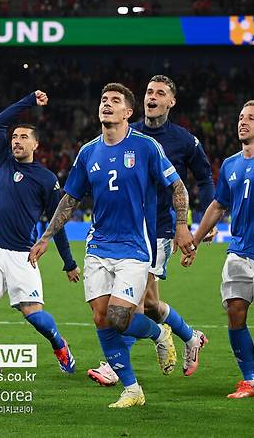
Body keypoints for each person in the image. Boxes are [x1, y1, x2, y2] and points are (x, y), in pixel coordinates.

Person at [29, 83, 195, 408]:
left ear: (127, 112)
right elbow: (70, 199)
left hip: (134, 247)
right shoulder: (88, 151)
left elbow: (177, 186)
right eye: (103, 100)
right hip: (98, 247)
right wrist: (46, 237)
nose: (106, 104)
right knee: (101, 318)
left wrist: (180, 224)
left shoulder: (145, 147)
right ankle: (132, 389)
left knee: (120, 316)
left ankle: (159, 334)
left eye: (115, 101)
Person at [89, 75, 214, 385]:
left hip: (156, 230)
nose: (152, 97)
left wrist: (194, 223)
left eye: (160, 93)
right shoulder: (127, 133)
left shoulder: (184, 140)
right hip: (124, 231)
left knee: (136, 303)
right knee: (151, 304)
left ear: (171, 101)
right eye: (148, 92)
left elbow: (204, 178)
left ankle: (113, 363)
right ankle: (190, 335)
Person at [186, 100, 254, 400]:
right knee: (235, 312)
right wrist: (195, 240)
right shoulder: (232, 164)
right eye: (241, 116)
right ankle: (250, 381)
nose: (243, 122)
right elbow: (219, 204)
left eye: (251, 118)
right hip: (238, 251)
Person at [0, 91, 79, 376]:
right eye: (14, 137)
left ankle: (59, 344)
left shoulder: (46, 179)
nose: (16, 141)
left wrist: (68, 262)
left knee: (34, 315)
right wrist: (29, 100)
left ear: (36, 144)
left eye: (24, 137)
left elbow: (57, 223)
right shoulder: (4, 161)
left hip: (22, 254)